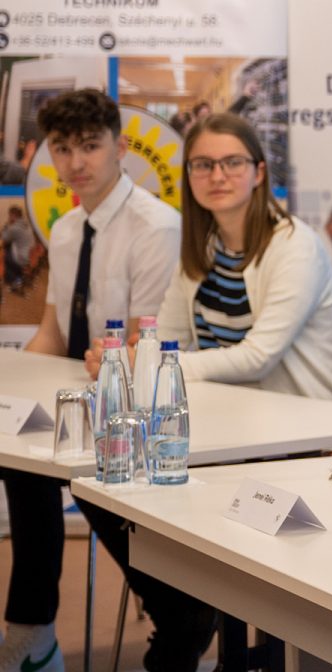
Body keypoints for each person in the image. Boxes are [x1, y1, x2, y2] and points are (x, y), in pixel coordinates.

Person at [3, 89, 183, 671]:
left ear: (120, 147)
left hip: (138, 407)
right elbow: (52, 337)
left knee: (85, 469)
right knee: (16, 456)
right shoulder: (66, 227)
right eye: (63, 149)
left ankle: (177, 616)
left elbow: (141, 347)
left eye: (90, 146)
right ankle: (33, 631)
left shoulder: (155, 225)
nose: (77, 162)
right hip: (82, 394)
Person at [97, 114, 332, 400]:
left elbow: (258, 358)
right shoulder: (204, 248)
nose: (217, 176)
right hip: (233, 411)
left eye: (233, 163)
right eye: (204, 165)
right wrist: (125, 358)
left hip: (310, 421)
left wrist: (150, 363)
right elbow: (169, 337)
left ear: (259, 173)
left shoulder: (296, 246)